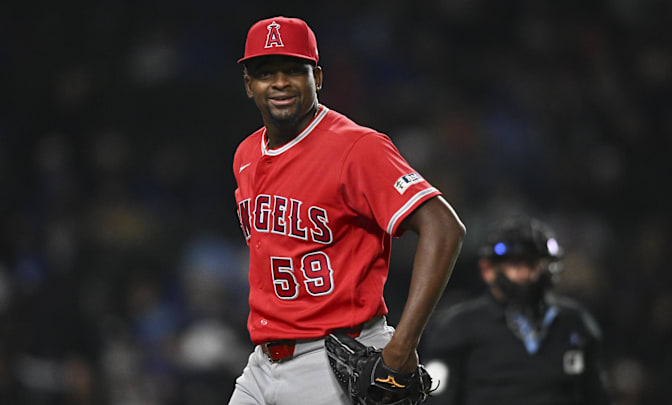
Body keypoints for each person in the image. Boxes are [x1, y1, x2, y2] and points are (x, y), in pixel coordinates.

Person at [229, 16, 466, 405]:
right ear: (248, 85)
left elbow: (444, 227)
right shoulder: (246, 155)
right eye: (265, 72)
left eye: (294, 70)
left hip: (336, 359)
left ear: (317, 77)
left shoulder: (357, 148)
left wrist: (401, 347)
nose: (280, 83)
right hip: (261, 362)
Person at [421, 216, 612, 405]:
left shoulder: (575, 323)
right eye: (515, 265)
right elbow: (437, 400)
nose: (526, 274)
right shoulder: (457, 327)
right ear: (488, 270)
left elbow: (596, 396)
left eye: (534, 265)